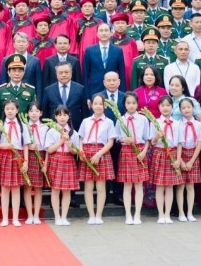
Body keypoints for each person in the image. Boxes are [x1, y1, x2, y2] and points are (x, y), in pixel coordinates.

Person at [77, 93, 116, 224]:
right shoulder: (85, 121)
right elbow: (80, 138)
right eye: (95, 104)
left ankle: (99, 215)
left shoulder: (109, 122)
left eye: (100, 104)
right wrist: (81, 151)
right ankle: (91, 215)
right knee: (88, 186)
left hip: (102, 153)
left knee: (100, 187)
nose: (98, 106)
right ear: (91, 105)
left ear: (105, 106)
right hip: (87, 152)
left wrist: (99, 154)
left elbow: (110, 142)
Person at [115, 92, 150, 225]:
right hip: (126, 151)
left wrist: (144, 152)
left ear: (137, 104)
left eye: (133, 103)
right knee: (127, 184)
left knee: (139, 184)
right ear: (124, 104)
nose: (131, 106)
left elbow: (148, 138)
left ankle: (137, 214)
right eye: (128, 103)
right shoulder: (120, 119)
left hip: (140, 151)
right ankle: (128, 214)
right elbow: (117, 137)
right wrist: (124, 139)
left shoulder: (143, 119)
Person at [0, 99, 29, 227]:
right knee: (4, 189)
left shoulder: (22, 126)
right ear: (3, 110)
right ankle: (5, 218)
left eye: (12, 109)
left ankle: (15, 218)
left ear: (17, 110)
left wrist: (26, 161)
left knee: (15, 188)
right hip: (4, 157)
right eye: (7, 109)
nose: (10, 111)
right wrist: (5, 145)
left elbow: (26, 145)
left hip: (18, 157)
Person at [44, 105, 79, 226]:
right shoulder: (52, 131)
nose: (62, 117)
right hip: (56, 160)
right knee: (55, 190)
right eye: (59, 115)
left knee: (67, 191)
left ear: (69, 116)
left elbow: (76, 151)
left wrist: (71, 147)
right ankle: (57, 217)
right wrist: (62, 141)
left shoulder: (73, 132)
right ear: (55, 117)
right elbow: (49, 150)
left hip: (68, 160)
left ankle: (64, 216)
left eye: (65, 115)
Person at [150, 96, 182, 224]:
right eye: (162, 105)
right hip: (159, 153)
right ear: (159, 107)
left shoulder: (177, 124)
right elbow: (152, 142)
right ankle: (161, 214)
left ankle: (167, 214)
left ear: (172, 107)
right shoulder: (155, 122)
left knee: (169, 186)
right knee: (159, 186)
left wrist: (178, 160)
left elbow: (179, 143)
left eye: (168, 105)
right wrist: (157, 137)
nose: (165, 108)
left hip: (172, 154)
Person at [175, 98, 201, 222]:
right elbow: (178, 143)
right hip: (181, 154)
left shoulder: (199, 125)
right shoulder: (177, 124)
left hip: (193, 155)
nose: (186, 110)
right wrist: (181, 161)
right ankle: (181, 212)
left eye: (188, 107)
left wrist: (192, 161)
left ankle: (190, 212)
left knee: (190, 185)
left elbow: (200, 143)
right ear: (180, 110)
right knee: (180, 185)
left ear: (193, 108)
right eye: (183, 108)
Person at [82, 23, 125, 96]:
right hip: (94, 89)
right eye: (101, 31)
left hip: (112, 89)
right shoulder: (89, 50)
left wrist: (123, 94)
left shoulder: (118, 50)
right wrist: (87, 96)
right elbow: (85, 75)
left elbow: (122, 75)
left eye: (106, 30)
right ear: (97, 34)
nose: (104, 33)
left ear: (111, 33)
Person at [41, 61, 86, 130]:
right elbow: (45, 113)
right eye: (61, 73)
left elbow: (84, 112)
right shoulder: (48, 90)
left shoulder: (80, 89)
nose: (64, 75)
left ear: (71, 73)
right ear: (56, 74)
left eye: (66, 72)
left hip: (75, 129)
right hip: (54, 130)